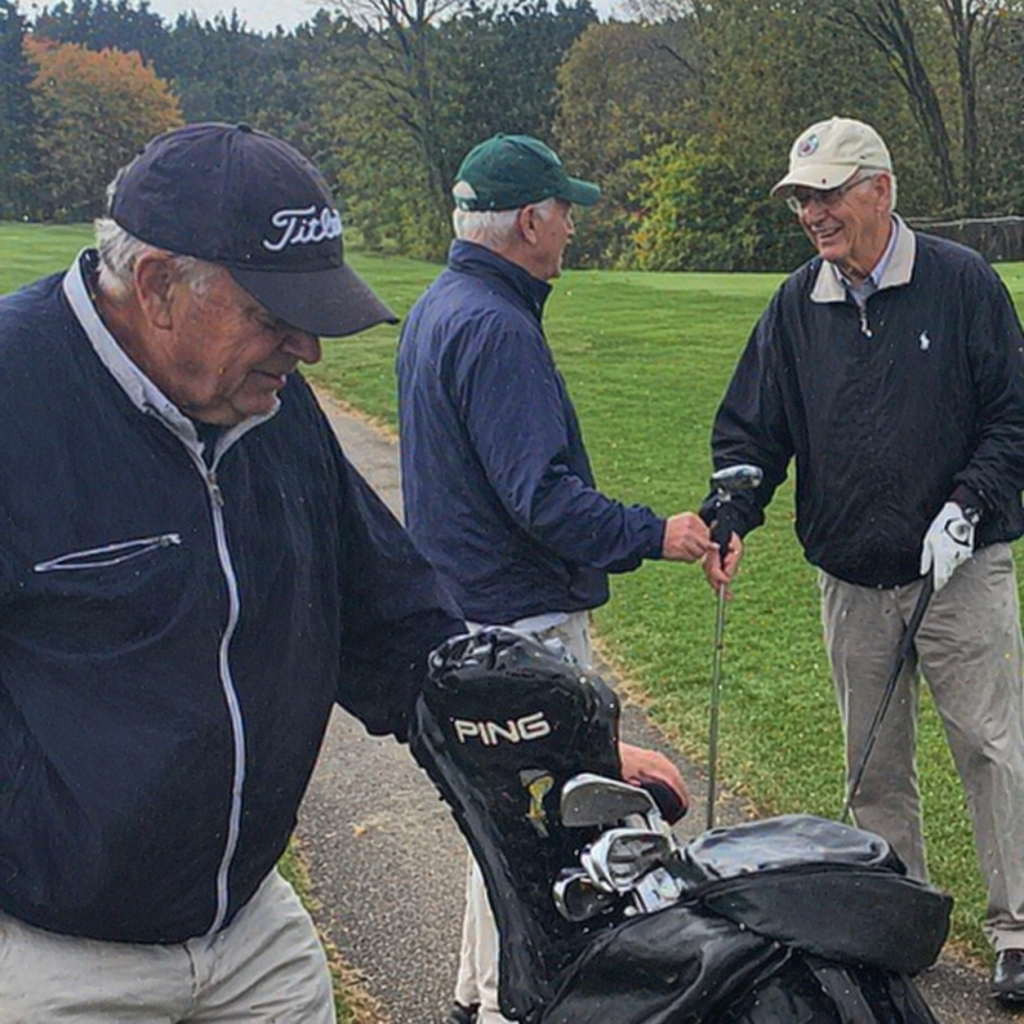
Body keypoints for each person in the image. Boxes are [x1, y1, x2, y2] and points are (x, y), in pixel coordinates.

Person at [0, 121, 468, 1021]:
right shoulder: (14, 392)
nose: (308, 349)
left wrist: (544, 733)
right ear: (157, 286)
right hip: (50, 952)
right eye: (272, 315)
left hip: (248, 930)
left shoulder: (271, 408)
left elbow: (393, 620)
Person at [700, 115, 1024, 1004]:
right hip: (851, 575)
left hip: (962, 570)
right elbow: (751, 432)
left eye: (828, 193)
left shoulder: (960, 284)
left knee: (993, 751)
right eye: (803, 199)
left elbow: (1012, 416)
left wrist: (967, 506)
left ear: (881, 189)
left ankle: (1019, 931)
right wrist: (732, 508)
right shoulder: (798, 303)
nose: (813, 213)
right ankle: (898, 919)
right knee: (872, 764)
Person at [395, 133, 709, 1024]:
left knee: (495, 825)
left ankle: (473, 995)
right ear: (530, 220)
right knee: (538, 837)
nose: (572, 226)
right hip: (517, 625)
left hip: (472, 612)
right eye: (565, 210)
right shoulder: (496, 327)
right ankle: (507, 1008)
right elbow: (545, 499)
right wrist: (659, 533)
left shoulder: (441, 305)